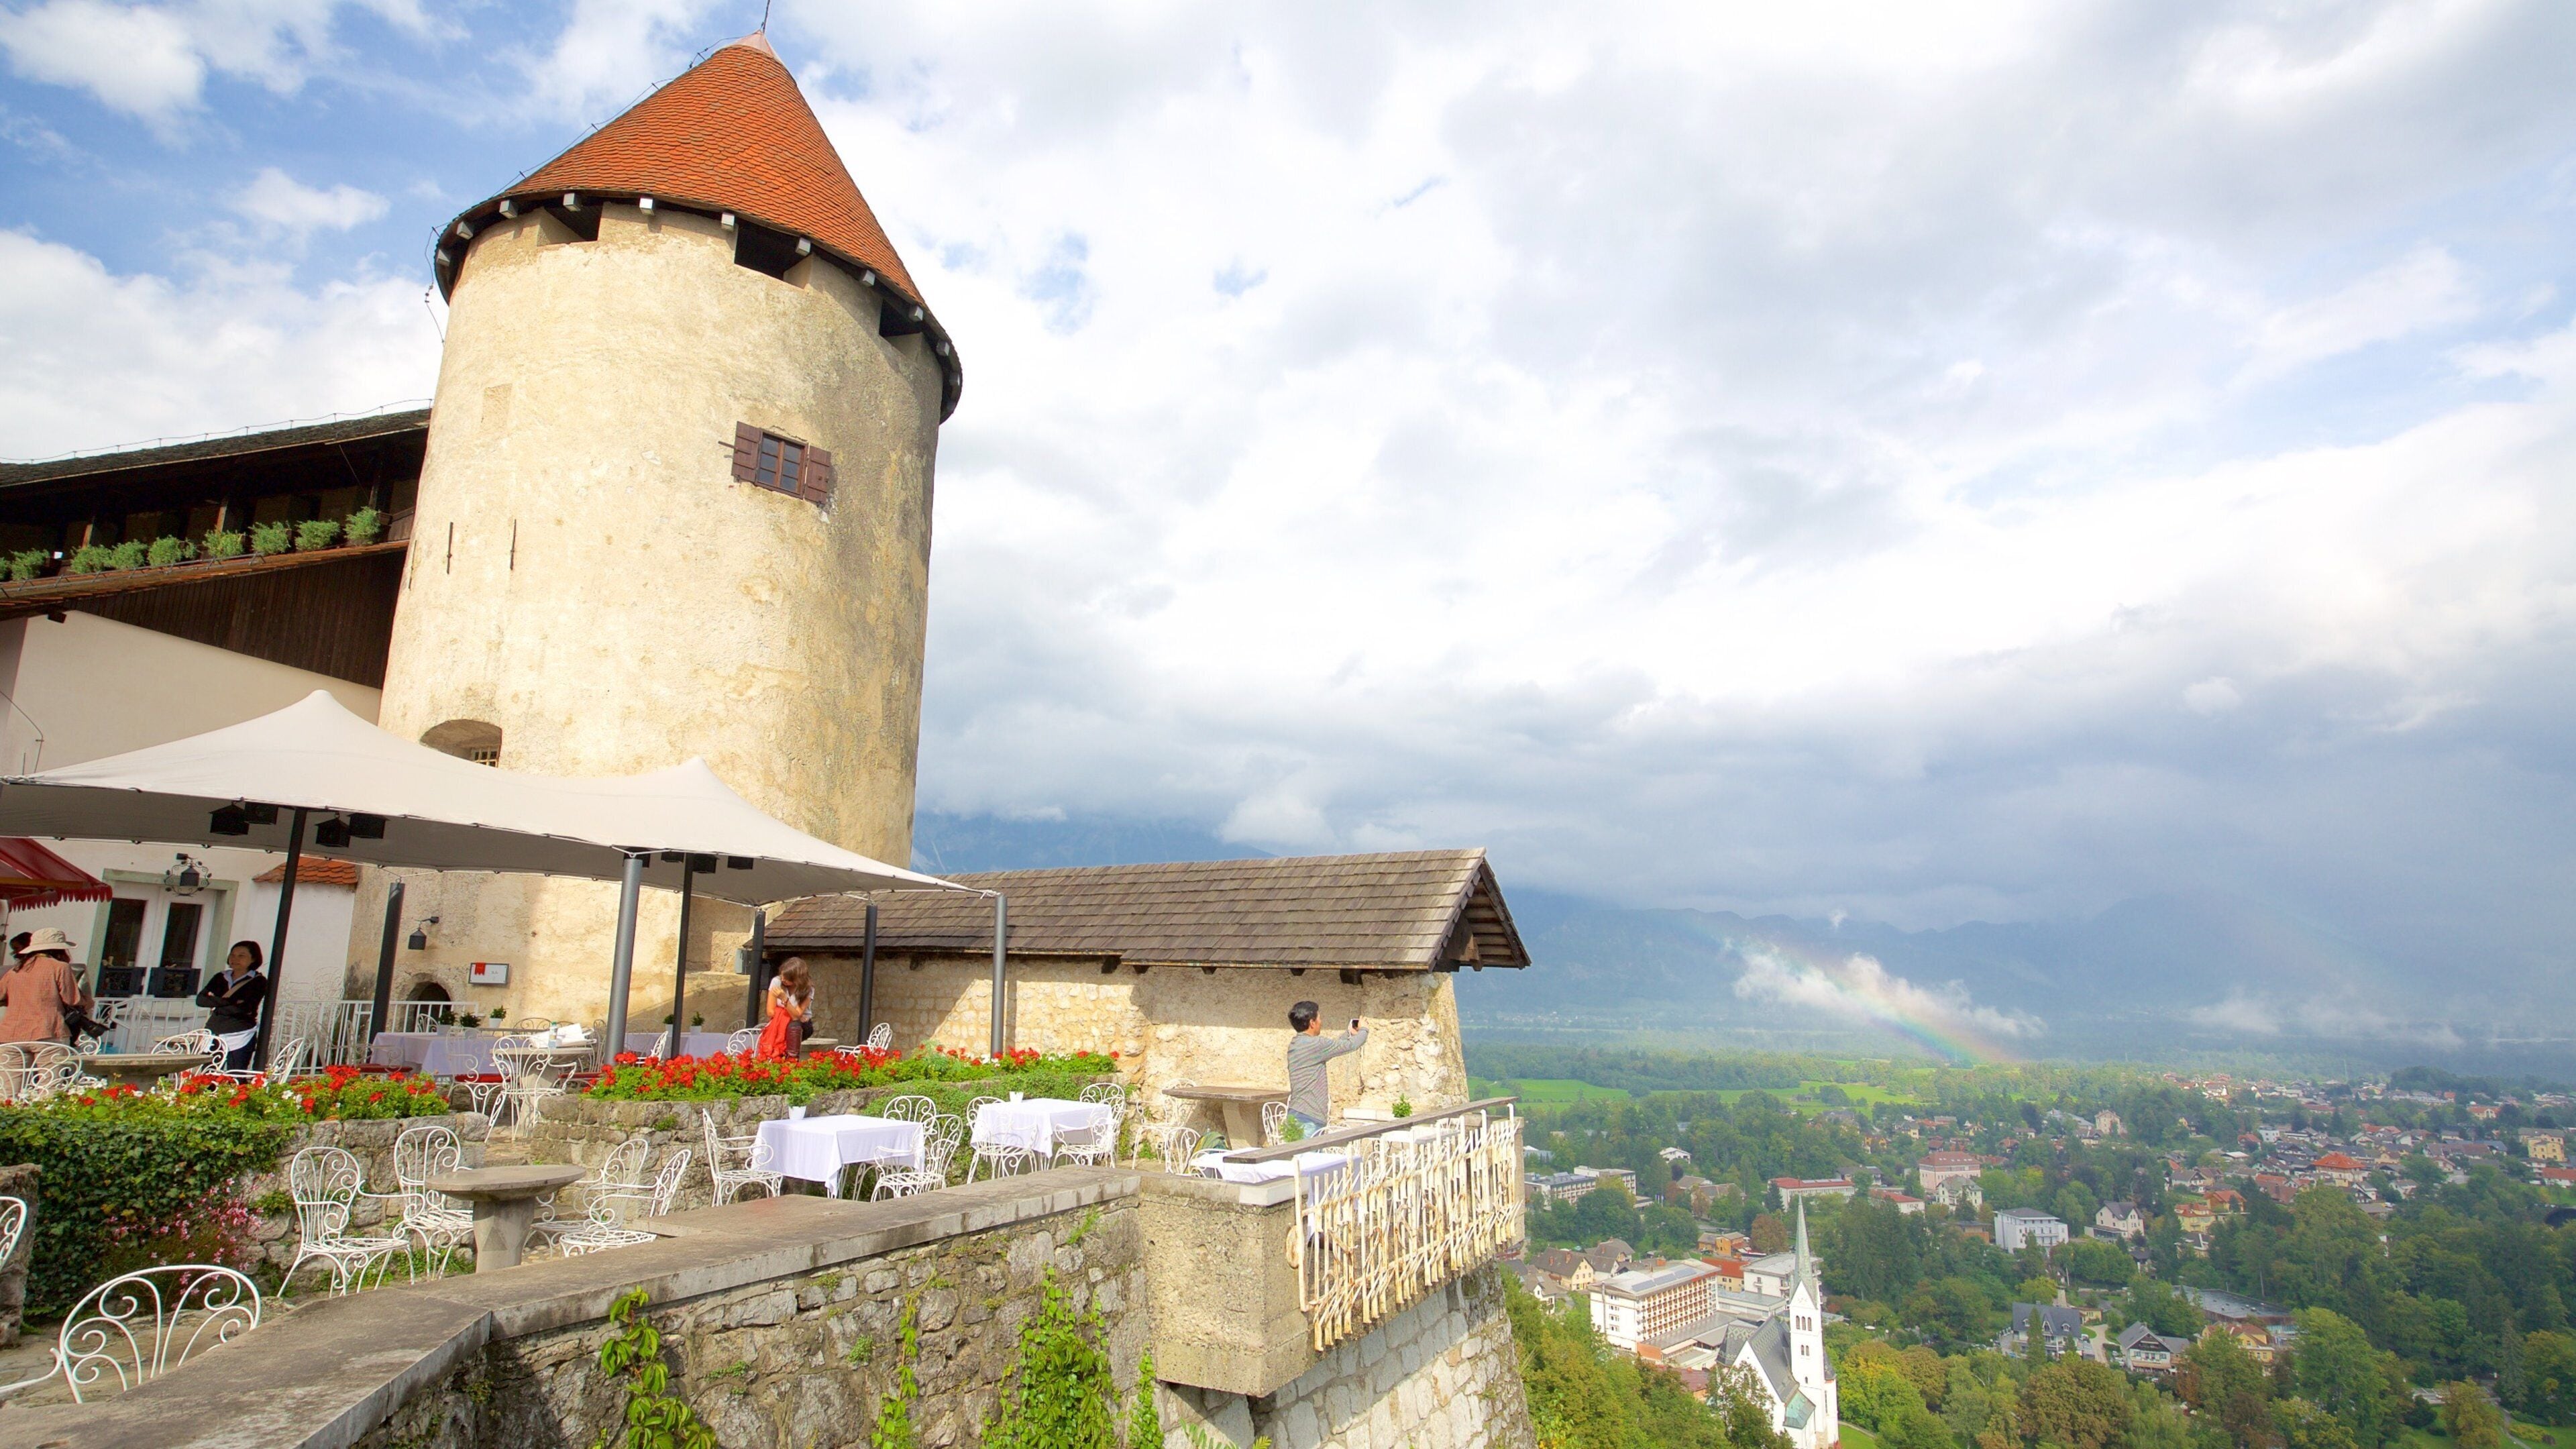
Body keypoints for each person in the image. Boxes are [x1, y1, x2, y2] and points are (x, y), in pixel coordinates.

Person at [1284, 1000, 1367, 1135]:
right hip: (1309, 1119)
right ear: (1312, 1023)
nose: (1321, 1022)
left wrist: (1348, 1034)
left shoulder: (1297, 1043)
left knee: (1297, 1156)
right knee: (1311, 1156)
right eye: (1319, 1018)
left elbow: (1333, 1048)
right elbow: (1352, 1046)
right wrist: (1364, 1029)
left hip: (1296, 1114)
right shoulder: (1316, 1044)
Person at [0, 928, 86, 1044]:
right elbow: (72, 1000)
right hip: (48, 1032)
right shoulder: (60, 967)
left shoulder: (14, 971)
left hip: (12, 1035)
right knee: (54, 1063)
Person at [195, 941, 269, 1072]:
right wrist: (229, 1002)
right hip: (215, 1030)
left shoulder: (258, 981)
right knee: (208, 1073)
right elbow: (201, 1000)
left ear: (253, 959)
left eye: (241, 956)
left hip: (240, 1032)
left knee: (236, 1073)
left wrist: (216, 1001)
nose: (235, 959)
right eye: (233, 955)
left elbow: (245, 1008)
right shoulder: (220, 977)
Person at [755, 957, 813, 1060]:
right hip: (780, 1021)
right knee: (787, 1025)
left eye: (787, 978)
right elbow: (771, 1012)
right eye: (782, 975)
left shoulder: (808, 989)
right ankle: (779, 1059)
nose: (783, 980)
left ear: (797, 979)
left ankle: (792, 1061)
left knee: (794, 1025)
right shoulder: (776, 982)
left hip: (802, 1026)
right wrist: (791, 1012)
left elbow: (796, 1017)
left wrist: (784, 999)